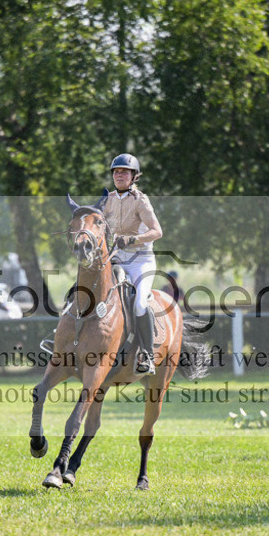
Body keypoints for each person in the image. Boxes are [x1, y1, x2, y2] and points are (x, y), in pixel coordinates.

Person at [103, 153, 163, 374]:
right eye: (116, 171)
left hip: (141, 261)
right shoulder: (107, 199)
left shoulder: (140, 200)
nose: (119, 175)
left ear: (133, 176)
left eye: (124, 172)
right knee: (88, 287)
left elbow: (157, 231)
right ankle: (64, 341)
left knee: (138, 303)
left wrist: (133, 239)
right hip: (117, 258)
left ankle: (147, 354)